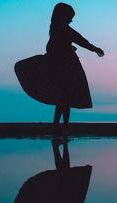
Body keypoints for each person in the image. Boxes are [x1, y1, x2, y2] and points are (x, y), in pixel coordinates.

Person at [47, 3, 104, 132]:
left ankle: (59, 126)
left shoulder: (55, 28)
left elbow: (53, 45)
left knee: (64, 97)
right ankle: (60, 126)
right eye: (69, 17)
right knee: (65, 96)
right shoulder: (62, 28)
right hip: (65, 66)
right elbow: (79, 39)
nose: (71, 20)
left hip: (61, 64)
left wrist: (67, 46)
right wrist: (94, 49)